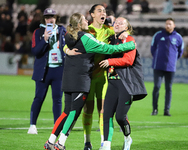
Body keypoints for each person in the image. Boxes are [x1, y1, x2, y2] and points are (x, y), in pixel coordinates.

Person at [43, 12, 136, 150]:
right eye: (85, 20)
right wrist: (129, 45)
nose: (88, 21)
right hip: (80, 79)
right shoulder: (86, 38)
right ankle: (60, 143)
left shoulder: (68, 36)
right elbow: (107, 48)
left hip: (68, 78)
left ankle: (50, 141)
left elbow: (64, 45)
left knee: (66, 112)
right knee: (74, 112)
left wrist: (67, 51)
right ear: (79, 24)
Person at [82, 4, 128, 150]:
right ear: (92, 14)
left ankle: (104, 143)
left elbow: (121, 35)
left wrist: (125, 34)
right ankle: (87, 142)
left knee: (103, 110)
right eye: (99, 11)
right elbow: (71, 40)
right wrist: (66, 49)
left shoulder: (109, 31)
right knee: (88, 110)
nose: (103, 13)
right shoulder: (86, 31)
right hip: (88, 76)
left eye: (104, 11)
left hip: (103, 77)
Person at [99, 17, 147, 150]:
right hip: (112, 82)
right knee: (107, 114)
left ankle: (127, 138)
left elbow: (129, 60)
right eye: (116, 22)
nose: (117, 24)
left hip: (126, 83)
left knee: (120, 116)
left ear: (126, 27)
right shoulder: (110, 40)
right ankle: (106, 145)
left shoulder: (129, 39)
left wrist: (110, 62)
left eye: (121, 23)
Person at [27, 8, 67, 134]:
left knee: (57, 99)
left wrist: (63, 44)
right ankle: (32, 125)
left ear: (56, 18)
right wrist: (44, 39)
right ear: (44, 19)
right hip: (43, 70)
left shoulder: (62, 30)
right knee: (38, 98)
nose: (50, 19)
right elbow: (35, 52)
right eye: (48, 17)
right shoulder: (38, 32)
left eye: (53, 17)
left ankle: (57, 127)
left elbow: (69, 46)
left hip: (59, 70)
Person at [151, 18, 184, 116]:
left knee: (168, 88)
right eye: (166, 24)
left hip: (170, 67)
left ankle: (166, 110)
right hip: (158, 66)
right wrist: (158, 58)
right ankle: (155, 109)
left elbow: (180, 52)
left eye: (170, 24)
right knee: (157, 87)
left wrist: (172, 61)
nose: (168, 25)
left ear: (174, 26)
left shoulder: (178, 37)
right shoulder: (158, 35)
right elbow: (152, 48)